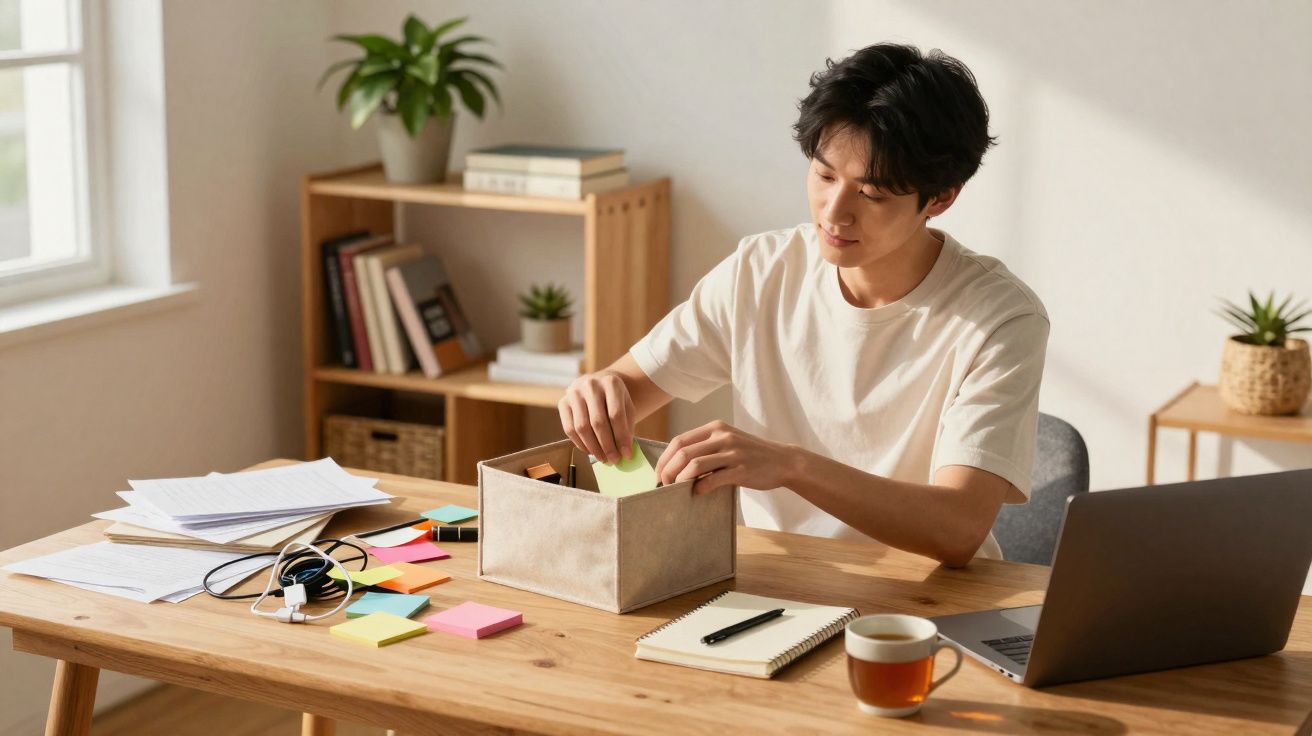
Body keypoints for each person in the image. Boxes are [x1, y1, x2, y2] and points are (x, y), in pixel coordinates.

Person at [557, 43, 1049, 567]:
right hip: (782, 583)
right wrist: (599, 391)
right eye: (824, 175)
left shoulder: (1001, 318)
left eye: (873, 193)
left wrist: (791, 467)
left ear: (942, 197)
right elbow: (626, 389)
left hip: (931, 605)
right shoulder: (762, 272)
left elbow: (958, 528)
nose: (835, 212)